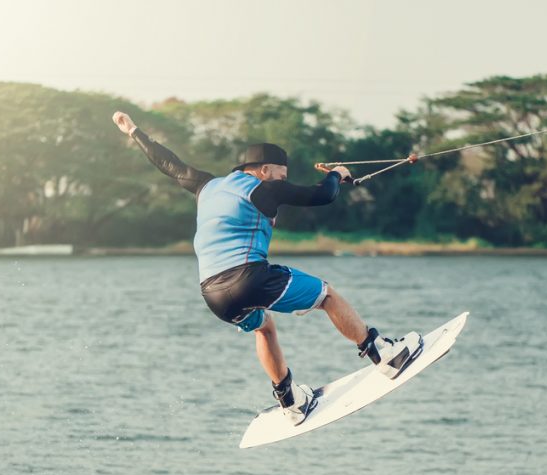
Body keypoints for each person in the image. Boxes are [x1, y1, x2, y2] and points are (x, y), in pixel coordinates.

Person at [112, 111, 423, 425]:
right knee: (327, 295)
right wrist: (336, 174)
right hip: (248, 278)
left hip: (213, 294)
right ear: (263, 170)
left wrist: (134, 132)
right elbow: (323, 195)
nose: (283, 182)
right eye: (281, 175)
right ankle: (384, 354)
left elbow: (168, 163)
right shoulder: (263, 188)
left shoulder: (207, 186)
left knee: (264, 327)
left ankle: (291, 401)